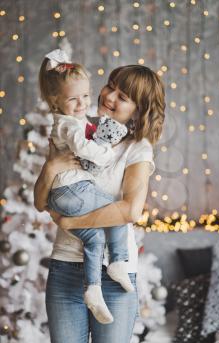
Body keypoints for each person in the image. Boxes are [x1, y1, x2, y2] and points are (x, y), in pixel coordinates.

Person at [34, 63, 165, 343]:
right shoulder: (77, 127)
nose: (109, 97)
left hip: (114, 277)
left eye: (123, 96)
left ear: (138, 109)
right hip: (66, 267)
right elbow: (40, 201)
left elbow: (129, 210)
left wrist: (70, 223)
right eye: (110, 86)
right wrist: (52, 166)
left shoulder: (137, 148)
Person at [38, 49, 134, 325]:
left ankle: (93, 290)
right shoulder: (69, 125)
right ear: (56, 100)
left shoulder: (76, 120)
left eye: (85, 96)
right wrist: (105, 155)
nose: (82, 104)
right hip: (73, 192)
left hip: (62, 196)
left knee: (94, 237)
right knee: (115, 210)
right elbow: (83, 147)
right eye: (73, 98)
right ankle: (117, 260)